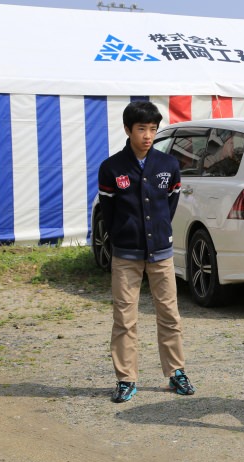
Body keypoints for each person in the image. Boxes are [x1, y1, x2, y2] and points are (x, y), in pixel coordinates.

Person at [97, 101, 195, 403]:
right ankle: (126, 378)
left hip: (161, 252)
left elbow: (171, 203)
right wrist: (124, 235)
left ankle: (176, 371)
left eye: (153, 129)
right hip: (126, 254)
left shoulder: (168, 165)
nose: (148, 135)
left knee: (169, 314)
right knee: (125, 318)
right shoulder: (112, 167)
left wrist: (159, 232)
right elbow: (107, 212)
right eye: (142, 129)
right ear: (128, 130)